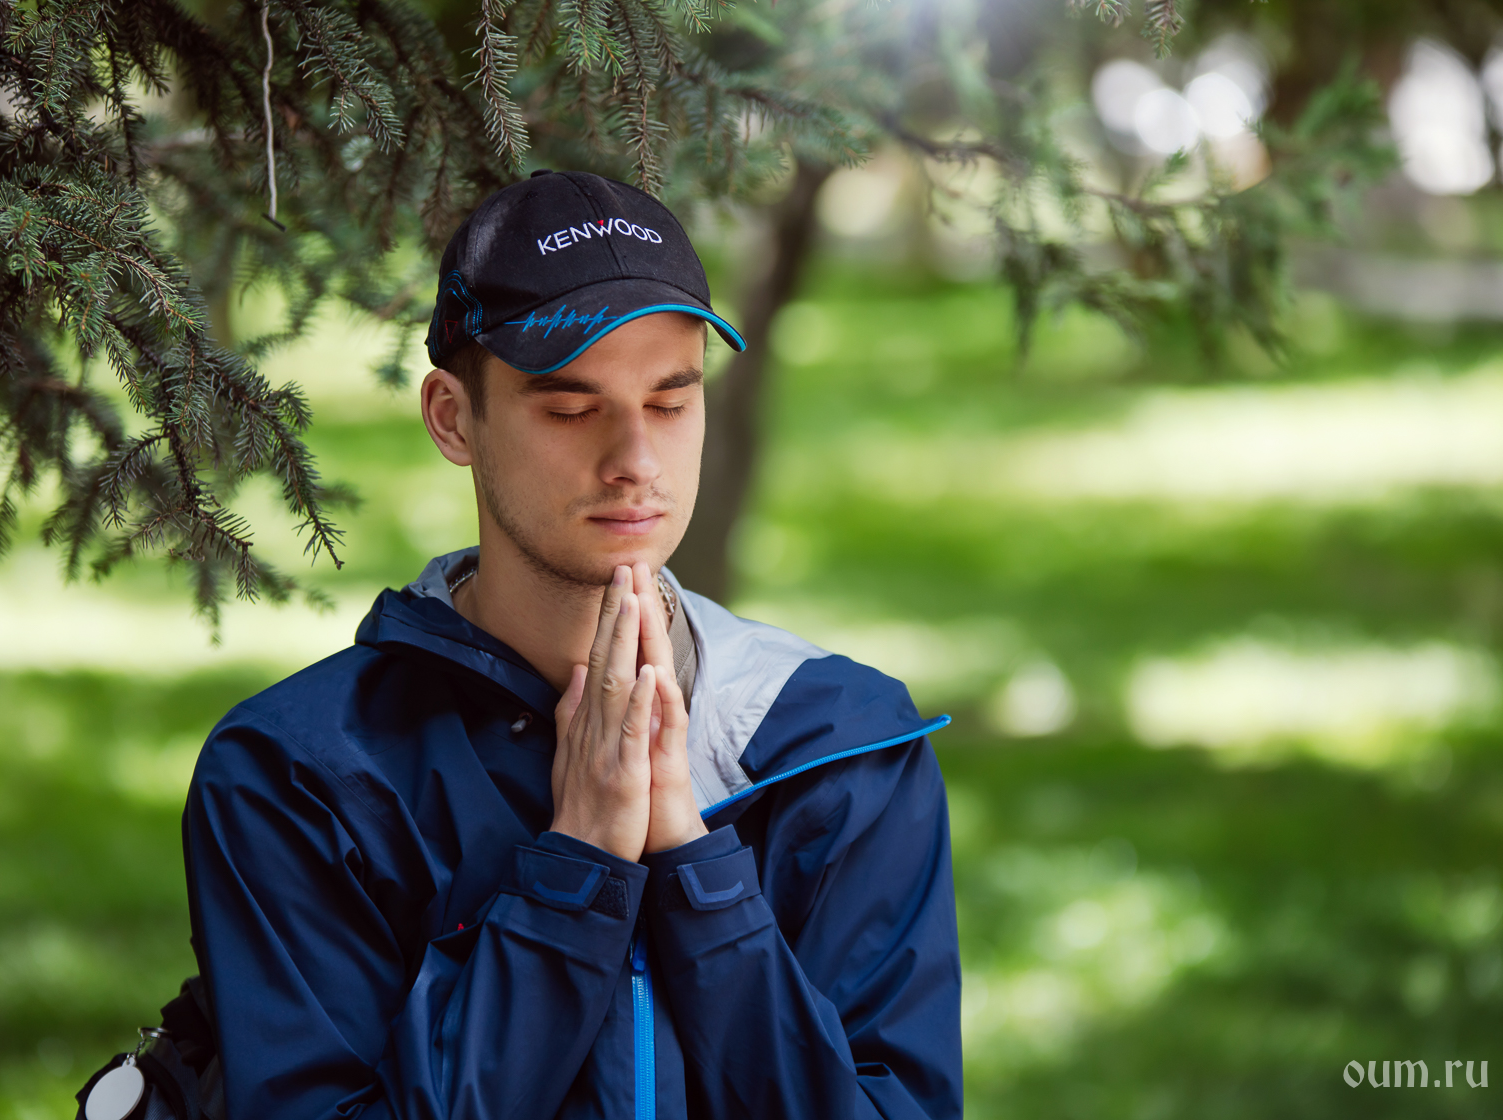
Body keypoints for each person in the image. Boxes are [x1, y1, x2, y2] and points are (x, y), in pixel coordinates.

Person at [183, 170, 962, 1120]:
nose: (635, 460)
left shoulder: (842, 747)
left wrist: (695, 870)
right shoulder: (301, 778)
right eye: (570, 408)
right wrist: (578, 865)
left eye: (670, 404)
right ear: (453, 418)